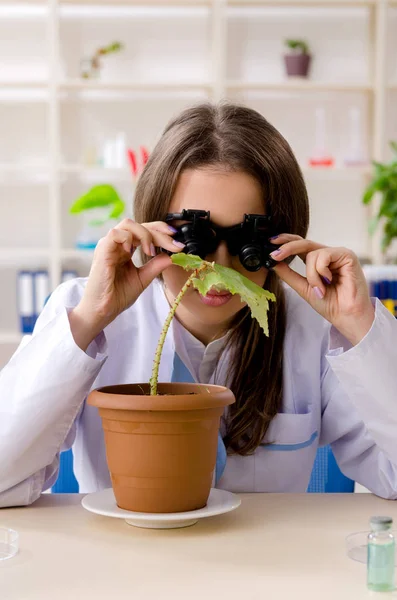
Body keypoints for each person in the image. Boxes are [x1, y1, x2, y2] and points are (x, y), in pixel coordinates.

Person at [1, 102, 397, 508]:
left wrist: (361, 327)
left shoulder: (313, 330)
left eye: (249, 243)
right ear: (152, 230)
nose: (219, 266)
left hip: (265, 563)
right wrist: (89, 320)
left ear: (282, 240)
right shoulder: (84, 312)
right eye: (195, 239)